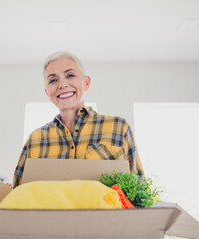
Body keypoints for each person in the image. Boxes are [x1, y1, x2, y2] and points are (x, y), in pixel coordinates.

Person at [13, 51, 144, 188]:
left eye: (70, 75)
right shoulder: (35, 139)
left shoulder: (118, 127)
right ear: (47, 91)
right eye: (53, 80)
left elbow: (139, 192)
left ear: (86, 83)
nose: (62, 85)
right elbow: (17, 197)